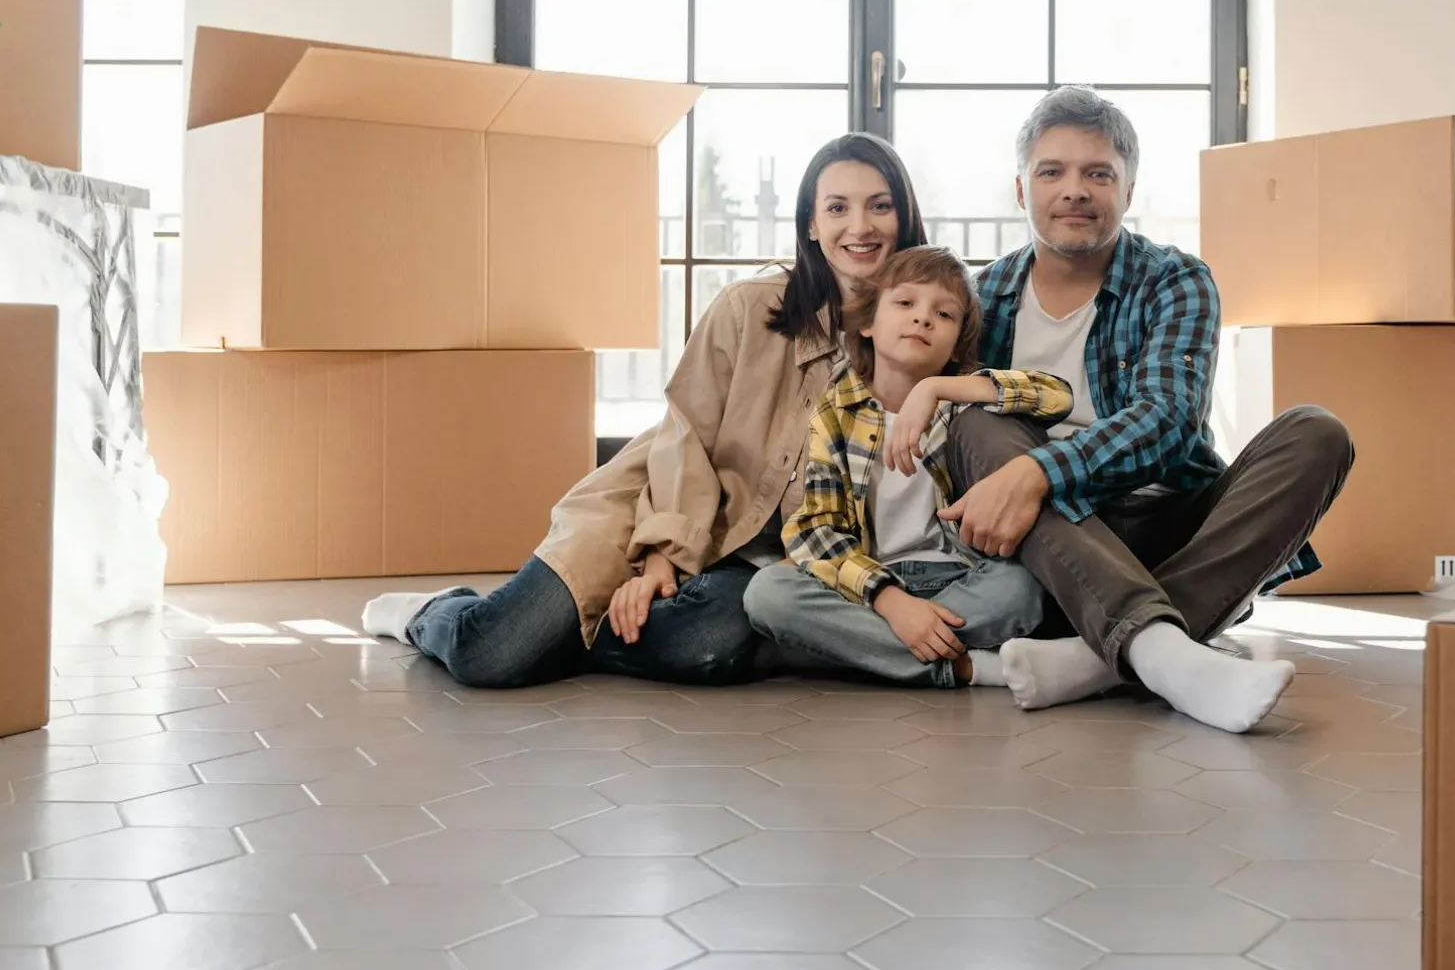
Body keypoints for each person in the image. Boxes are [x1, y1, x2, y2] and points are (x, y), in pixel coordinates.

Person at [359, 134, 926, 688]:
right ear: (810, 224)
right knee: (490, 654)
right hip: (652, 509)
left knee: (707, 646)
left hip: (755, 566)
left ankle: (565, 638)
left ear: (903, 216)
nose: (860, 226)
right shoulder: (749, 308)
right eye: (837, 207)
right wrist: (662, 560)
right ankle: (433, 613)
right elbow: (687, 436)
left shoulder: (923, 330)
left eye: (880, 206)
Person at [942, 87, 1357, 733]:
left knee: (1318, 433)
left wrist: (1040, 472)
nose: (1074, 189)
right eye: (1052, 171)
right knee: (974, 419)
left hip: (1165, 519)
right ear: (1022, 191)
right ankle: (1164, 652)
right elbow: (957, 444)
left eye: (1098, 173)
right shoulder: (979, 297)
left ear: (1128, 192)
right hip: (1051, 540)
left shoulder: (1175, 279)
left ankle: (1100, 657)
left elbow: (1168, 422)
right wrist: (1025, 478)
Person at [743, 247, 1070, 690]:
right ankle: (967, 667)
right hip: (871, 583)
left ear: (957, 343)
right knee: (769, 593)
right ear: (867, 323)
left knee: (1022, 588)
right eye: (905, 303)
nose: (923, 319)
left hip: (961, 576)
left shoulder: (962, 404)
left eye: (944, 314)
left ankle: (863, 651)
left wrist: (937, 388)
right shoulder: (835, 413)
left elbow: (1056, 396)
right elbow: (815, 528)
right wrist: (892, 602)